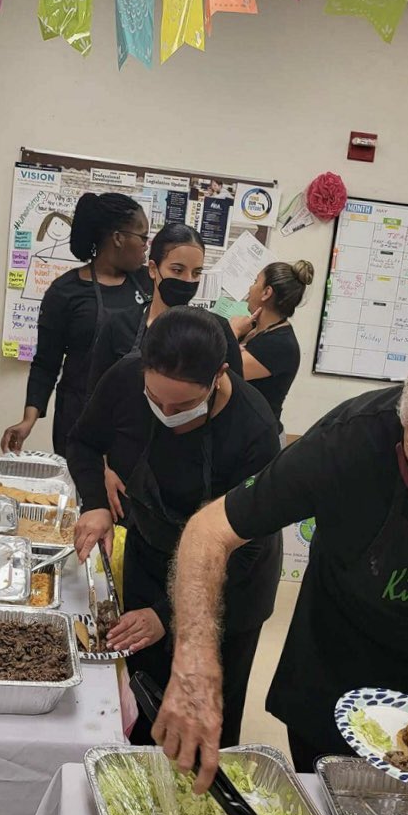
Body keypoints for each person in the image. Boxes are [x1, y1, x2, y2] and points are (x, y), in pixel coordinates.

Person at [151, 329, 408, 794]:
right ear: (406, 410)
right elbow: (209, 531)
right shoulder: (352, 438)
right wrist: (195, 662)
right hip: (332, 681)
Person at [67, 308, 282, 746]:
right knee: (144, 700)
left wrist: (169, 615)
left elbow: (248, 548)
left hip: (231, 581)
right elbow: (84, 442)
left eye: (182, 406)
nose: (166, 412)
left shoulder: (254, 431)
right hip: (152, 551)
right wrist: (95, 505)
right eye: (155, 399)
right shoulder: (126, 378)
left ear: (219, 375)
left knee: (203, 719)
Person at [87, 224, 243, 522]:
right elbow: (94, 407)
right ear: (153, 268)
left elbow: (233, 412)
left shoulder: (217, 333)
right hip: (124, 483)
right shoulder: (119, 327)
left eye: (196, 273)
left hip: (192, 484)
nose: (187, 280)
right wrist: (102, 471)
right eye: (178, 269)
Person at [0, 193, 152, 457]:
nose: (145, 246)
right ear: (118, 238)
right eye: (142, 237)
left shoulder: (150, 284)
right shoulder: (65, 292)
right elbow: (46, 363)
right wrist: (28, 420)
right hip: (79, 418)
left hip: (135, 418)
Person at [230, 260, 314, 443]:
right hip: (242, 434)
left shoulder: (280, 344)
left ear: (266, 293)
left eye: (255, 281)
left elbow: (219, 369)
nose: (250, 288)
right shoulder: (255, 330)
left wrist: (232, 331)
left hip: (258, 440)